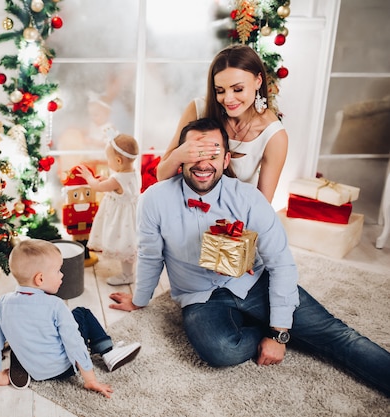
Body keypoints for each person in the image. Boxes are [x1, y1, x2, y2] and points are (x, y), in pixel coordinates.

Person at [110, 118, 390, 397]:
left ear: (226, 159)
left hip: (253, 283)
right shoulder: (154, 199)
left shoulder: (248, 198)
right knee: (219, 350)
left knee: (335, 333)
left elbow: (281, 262)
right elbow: (150, 255)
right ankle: (269, 327)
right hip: (198, 296)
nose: (203, 163)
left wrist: (279, 333)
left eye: (213, 153)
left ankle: (284, 326)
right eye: (195, 152)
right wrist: (139, 299)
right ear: (180, 158)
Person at [0, 239, 141, 397]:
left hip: (36, 371)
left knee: (23, 332)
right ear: (40, 279)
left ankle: (22, 359)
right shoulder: (55, 306)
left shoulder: (1, 304)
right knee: (81, 313)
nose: (62, 275)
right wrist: (90, 379)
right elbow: (74, 343)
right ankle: (108, 351)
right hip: (64, 369)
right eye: (58, 271)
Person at [156, 44, 288, 203]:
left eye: (238, 89)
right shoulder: (198, 110)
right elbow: (162, 176)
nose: (228, 99)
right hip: (185, 207)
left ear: (258, 81)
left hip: (234, 218)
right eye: (220, 90)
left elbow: (262, 205)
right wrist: (179, 155)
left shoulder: (273, 135)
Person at [76, 133, 140, 285]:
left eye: (108, 159)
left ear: (118, 161)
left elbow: (98, 187)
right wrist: (107, 180)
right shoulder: (133, 172)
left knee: (123, 244)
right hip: (131, 216)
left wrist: (88, 177)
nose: (107, 161)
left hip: (119, 219)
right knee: (128, 244)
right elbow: (120, 187)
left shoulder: (117, 179)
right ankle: (129, 272)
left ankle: (127, 275)